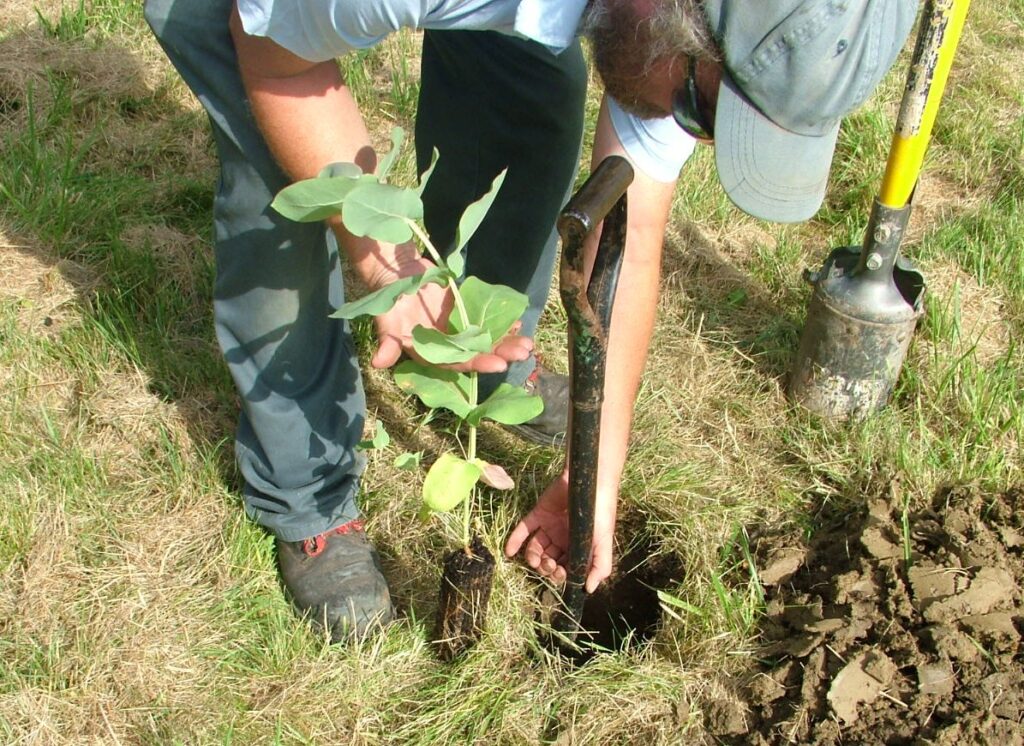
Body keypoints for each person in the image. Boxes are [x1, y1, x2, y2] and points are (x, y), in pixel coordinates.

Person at [144, 0, 915, 641]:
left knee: (526, 102)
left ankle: (483, 357)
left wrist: (595, 478)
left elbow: (628, 236)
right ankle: (305, 493)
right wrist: (382, 262)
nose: (695, 137)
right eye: (698, 107)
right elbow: (276, 55)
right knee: (279, 191)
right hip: (266, 18)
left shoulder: (692, 36)